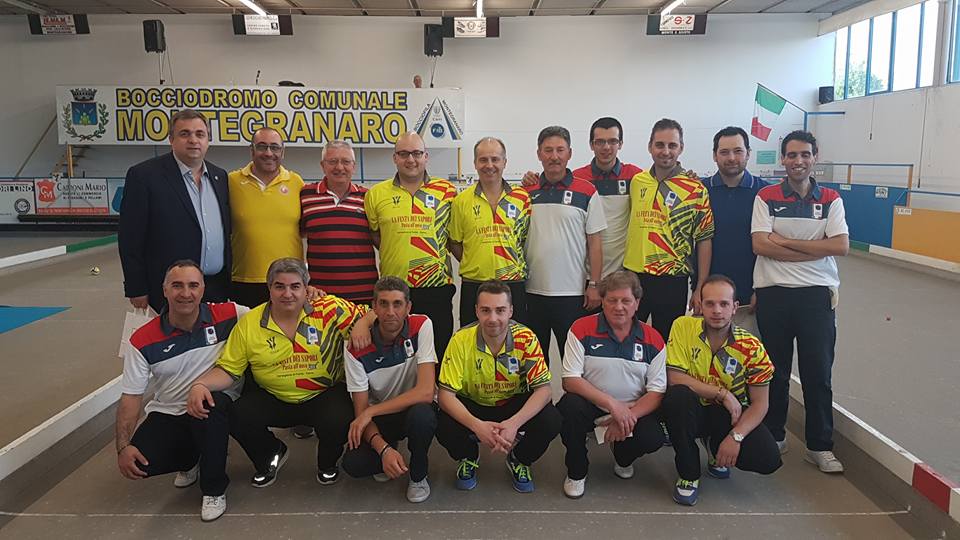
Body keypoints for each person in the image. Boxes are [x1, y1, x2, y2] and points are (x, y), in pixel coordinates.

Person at [187, 258, 373, 487]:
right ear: (269, 288)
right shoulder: (250, 323)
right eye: (279, 286)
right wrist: (200, 384)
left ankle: (327, 463)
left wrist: (362, 323)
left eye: (295, 286)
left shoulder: (328, 308)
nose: (287, 294)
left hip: (323, 394)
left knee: (340, 417)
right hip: (273, 396)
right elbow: (228, 369)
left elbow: (375, 313)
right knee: (237, 413)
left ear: (306, 288)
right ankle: (270, 455)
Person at [117, 260, 245, 522]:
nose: (186, 293)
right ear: (164, 290)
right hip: (169, 410)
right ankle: (190, 459)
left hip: (214, 403)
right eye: (177, 286)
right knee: (139, 463)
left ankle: (213, 490)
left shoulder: (231, 313)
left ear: (203, 289)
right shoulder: (141, 339)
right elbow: (131, 397)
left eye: (193, 285)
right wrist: (123, 447)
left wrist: (312, 296)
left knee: (208, 407)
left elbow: (275, 311)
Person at [752, 130, 849, 473]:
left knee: (817, 373)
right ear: (783, 159)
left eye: (805, 154)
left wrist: (785, 243)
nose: (798, 161)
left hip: (816, 296)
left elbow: (840, 246)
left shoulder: (832, 199)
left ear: (814, 157)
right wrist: (814, 250)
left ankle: (819, 446)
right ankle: (774, 435)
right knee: (774, 371)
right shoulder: (766, 196)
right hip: (773, 293)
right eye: (792, 155)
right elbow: (760, 245)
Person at [662, 275, 782, 506]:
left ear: (735, 307)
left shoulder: (752, 347)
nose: (717, 310)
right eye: (710, 303)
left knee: (768, 459)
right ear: (701, 305)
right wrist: (722, 394)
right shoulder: (683, 326)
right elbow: (674, 378)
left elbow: (761, 403)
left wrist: (736, 437)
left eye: (724, 304)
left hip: (728, 416)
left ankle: (714, 444)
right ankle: (688, 474)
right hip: (691, 410)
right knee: (678, 397)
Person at [436, 281, 561, 493]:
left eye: (500, 310)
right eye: (486, 310)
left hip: (511, 402)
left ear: (511, 311)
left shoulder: (526, 338)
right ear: (476, 311)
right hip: (474, 403)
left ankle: (519, 458)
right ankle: (468, 456)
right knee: (439, 422)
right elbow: (445, 395)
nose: (493, 318)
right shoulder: (460, 339)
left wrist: (514, 423)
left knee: (552, 420)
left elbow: (544, 390)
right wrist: (477, 426)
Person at [558, 271, 666, 499]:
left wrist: (626, 416)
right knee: (568, 406)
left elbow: (656, 392)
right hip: (592, 405)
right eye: (612, 300)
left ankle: (623, 457)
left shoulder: (653, 338)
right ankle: (577, 472)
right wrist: (613, 406)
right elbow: (570, 380)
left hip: (632, 409)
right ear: (602, 301)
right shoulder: (581, 328)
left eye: (626, 300)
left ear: (637, 303)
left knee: (654, 437)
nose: (619, 307)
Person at [119, 109, 231, 312]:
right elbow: (130, 238)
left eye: (200, 134)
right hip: (171, 290)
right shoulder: (144, 176)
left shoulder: (220, 176)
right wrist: (136, 287)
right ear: (171, 139)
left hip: (215, 287)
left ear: (208, 140)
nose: (193, 140)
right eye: (184, 134)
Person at [342, 276, 438, 503]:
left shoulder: (422, 325)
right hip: (382, 415)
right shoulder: (354, 348)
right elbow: (361, 412)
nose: (390, 312)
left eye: (397, 304)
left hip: (413, 408)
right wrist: (383, 449)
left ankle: (418, 474)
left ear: (408, 307)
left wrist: (370, 412)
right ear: (374, 307)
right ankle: (390, 452)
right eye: (383, 304)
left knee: (423, 416)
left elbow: (426, 392)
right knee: (353, 464)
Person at [364, 132, 458, 360]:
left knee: (437, 352)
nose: (411, 159)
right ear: (395, 158)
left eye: (416, 153)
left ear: (426, 156)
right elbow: (376, 235)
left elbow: (454, 236)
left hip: (436, 288)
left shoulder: (448, 192)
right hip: (394, 290)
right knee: (397, 356)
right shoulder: (376, 194)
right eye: (404, 154)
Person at [623, 118, 714, 341]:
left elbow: (704, 239)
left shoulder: (695, 189)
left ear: (681, 148)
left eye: (672, 145)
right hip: (634, 277)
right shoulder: (637, 182)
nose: (665, 151)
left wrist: (700, 286)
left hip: (672, 280)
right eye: (659, 145)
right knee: (629, 342)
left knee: (666, 344)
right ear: (650, 146)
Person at [524, 126, 606, 370]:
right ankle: (539, 398)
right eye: (548, 150)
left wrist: (594, 284)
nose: (554, 156)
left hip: (573, 294)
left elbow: (595, 242)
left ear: (569, 153)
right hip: (531, 291)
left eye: (560, 150)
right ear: (538, 153)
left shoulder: (587, 191)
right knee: (535, 363)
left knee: (573, 364)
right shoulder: (524, 192)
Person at [450, 137, 531, 326]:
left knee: (515, 339)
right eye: (483, 160)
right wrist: (477, 261)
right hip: (474, 284)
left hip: (513, 283)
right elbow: (454, 243)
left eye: (495, 159)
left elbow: (526, 240)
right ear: (475, 163)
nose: (489, 165)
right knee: (471, 338)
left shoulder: (522, 198)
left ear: (505, 162)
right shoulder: (461, 201)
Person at [228, 127, 305, 308]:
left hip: (289, 282)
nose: (269, 153)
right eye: (262, 147)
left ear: (282, 152)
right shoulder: (231, 181)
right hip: (244, 280)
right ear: (252, 150)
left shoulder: (297, 183)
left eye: (274, 147)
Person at [703, 126, 767, 335]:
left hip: (752, 298)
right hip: (709, 298)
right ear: (715, 155)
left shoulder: (765, 193)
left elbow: (768, 247)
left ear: (748, 153)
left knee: (750, 352)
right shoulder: (699, 191)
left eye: (738, 151)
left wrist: (761, 289)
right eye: (724, 152)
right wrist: (698, 289)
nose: (731, 158)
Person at [301, 140, 378, 305]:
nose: (339, 167)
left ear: (354, 166)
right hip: (320, 297)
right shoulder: (305, 195)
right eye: (333, 161)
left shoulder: (368, 197)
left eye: (346, 161)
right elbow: (297, 234)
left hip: (364, 295)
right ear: (322, 165)